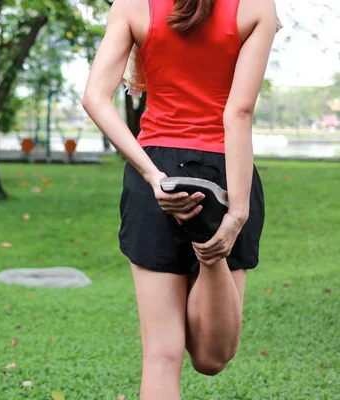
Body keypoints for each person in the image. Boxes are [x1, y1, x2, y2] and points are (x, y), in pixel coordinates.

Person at [83, 0, 278, 399]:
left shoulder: (131, 5)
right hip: (226, 172)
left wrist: (152, 174)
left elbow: (94, 98)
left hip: (157, 169)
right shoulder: (256, 5)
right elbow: (238, 113)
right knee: (212, 359)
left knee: (161, 357)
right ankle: (211, 249)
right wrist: (235, 212)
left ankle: (209, 247)